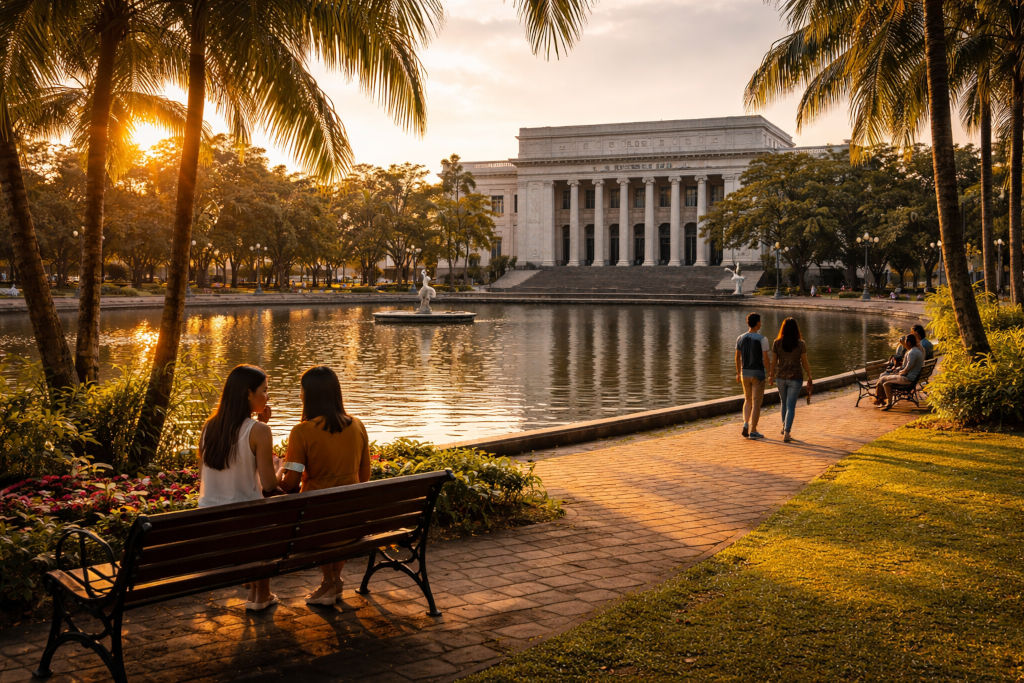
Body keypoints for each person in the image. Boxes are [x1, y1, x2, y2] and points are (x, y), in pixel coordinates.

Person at [280, 366, 372, 606]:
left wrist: (278, 471)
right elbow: (365, 475)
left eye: (301, 390)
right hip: (352, 523)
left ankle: (330, 582)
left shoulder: (302, 432)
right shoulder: (357, 425)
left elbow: (291, 482)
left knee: (320, 512)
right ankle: (333, 581)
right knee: (335, 512)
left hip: (316, 525)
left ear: (309, 395)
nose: (299, 395)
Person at [197, 365, 278, 611]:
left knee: (251, 518)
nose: (267, 397)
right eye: (264, 391)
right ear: (247, 394)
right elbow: (270, 484)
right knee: (267, 515)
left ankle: (256, 591)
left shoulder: (209, 427)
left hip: (209, 525)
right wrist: (279, 466)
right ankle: (261, 594)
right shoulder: (260, 432)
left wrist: (258, 424)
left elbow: (204, 474)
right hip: (244, 527)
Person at [768, 317, 813, 443]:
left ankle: (784, 427)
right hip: (795, 377)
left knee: (784, 403)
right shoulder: (800, 344)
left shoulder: (777, 343)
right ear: (796, 329)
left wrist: (771, 375)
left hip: (781, 377)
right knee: (791, 406)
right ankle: (787, 432)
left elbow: (773, 362)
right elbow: (804, 362)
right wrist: (809, 375)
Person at [735, 312, 770, 439]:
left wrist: (738, 372)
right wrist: (771, 372)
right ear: (757, 323)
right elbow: (765, 359)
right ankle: (753, 430)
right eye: (760, 321)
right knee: (756, 403)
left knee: (747, 400)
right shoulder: (762, 339)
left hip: (745, 373)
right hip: (758, 374)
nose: (761, 323)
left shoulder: (740, 338)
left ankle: (745, 423)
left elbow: (737, 357)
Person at [875, 335, 924, 409]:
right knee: (883, 379)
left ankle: (883, 402)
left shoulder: (912, 353)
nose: (905, 344)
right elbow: (908, 367)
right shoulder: (917, 351)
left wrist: (899, 373)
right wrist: (899, 370)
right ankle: (882, 401)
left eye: (905, 342)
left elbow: (907, 368)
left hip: (907, 379)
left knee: (883, 381)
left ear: (909, 342)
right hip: (911, 377)